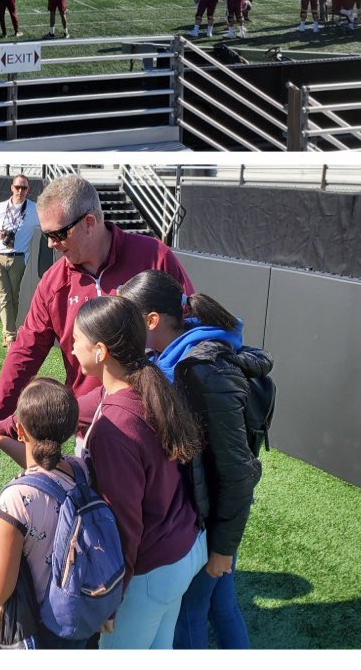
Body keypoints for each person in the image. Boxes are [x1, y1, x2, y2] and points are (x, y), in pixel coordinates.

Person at [120, 273, 273, 650]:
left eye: (129, 318)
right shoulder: (170, 356)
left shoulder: (201, 370)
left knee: (192, 611)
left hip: (213, 517)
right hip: (205, 510)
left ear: (151, 321)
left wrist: (221, 547)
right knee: (219, 603)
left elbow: (238, 472)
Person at [0, 174, 193, 436]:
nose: (51, 244)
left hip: (158, 424)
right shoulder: (54, 281)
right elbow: (26, 349)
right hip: (90, 427)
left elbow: (190, 326)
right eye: (46, 234)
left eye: (58, 234)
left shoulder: (155, 257)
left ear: (89, 223)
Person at [72, 295, 207, 648]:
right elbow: (77, 407)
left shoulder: (114, 428)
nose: (71, 349)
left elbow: (123, 525)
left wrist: (113, 594)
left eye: (76, 340)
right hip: (182, 552)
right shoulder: (147, 383)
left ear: (100, 351)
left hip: (149, 572)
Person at [0, 378, 92, 649]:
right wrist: (2, 440)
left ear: (21, 431)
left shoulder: (15, 501)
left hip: (34, 632)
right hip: (72, 618)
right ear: (72, 427)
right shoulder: (80, 470)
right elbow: (46, 471)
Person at [0, 175, 39, 349]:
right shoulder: (1, 207)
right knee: (4, 297)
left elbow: (46, 224)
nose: (20, 191)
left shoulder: (33, 209)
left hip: (18, 258)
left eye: (24, 188)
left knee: (13, 298)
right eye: (17, 187)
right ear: (12, 188)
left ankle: (8, 332)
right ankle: (10, 337)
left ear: (28, 190)